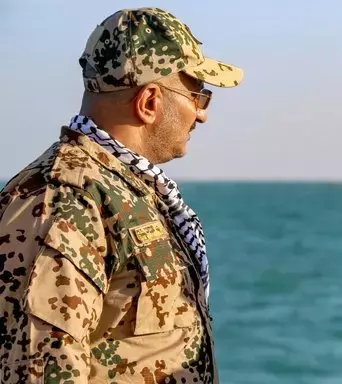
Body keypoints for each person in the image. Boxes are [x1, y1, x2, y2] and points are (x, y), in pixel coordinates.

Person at [0, 7, 243, 383]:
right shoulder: (64, 198)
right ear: (149, 102)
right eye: (197, 95)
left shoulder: (126, 189)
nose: (202, 114)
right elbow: (41, 366)